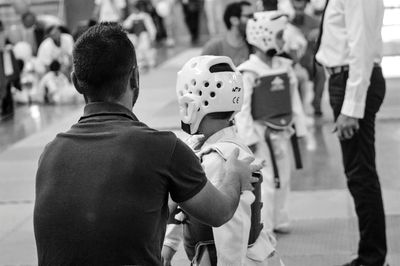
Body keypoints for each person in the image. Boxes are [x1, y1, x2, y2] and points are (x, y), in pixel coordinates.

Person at [33, 22, 261, 266]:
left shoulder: (49, 153)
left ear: (76, 82)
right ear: (135, 77)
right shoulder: (162, 148)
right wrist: (235, 176)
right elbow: (220, 212)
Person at [162, 55, 275, 266]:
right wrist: (169, 244)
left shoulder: (221, 159)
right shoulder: (204, 148)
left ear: (191, 106)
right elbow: (185, 199)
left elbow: (232, 232)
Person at [315, 1, 388, 265]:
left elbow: (362, 49)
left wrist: (352, 108)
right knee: (359, 173)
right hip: (343, 79)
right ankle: (371, 255)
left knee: (361, 174)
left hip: (353, 82)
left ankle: (372, 258)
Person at [235, 11, 307, 234]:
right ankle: (264, 224)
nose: (282, 41)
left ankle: (281, 217)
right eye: (279, 36)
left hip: (283, 130)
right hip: (260, 132)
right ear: (263, 36)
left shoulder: (285, 67)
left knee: (283, 177)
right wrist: (248, 138)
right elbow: (243, 108)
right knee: (264, 180)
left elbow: (294, 100)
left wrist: (300, 129)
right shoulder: (249, 71)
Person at [201, 1, 254, 66]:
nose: (253, 20)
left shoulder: (253, 46)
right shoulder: (213, 48)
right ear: (234, 20)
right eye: (249, 16)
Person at [123, 0, 157, 70]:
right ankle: (141, 64)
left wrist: (152, 36)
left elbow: (151, 27)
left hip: (144, 36)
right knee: (138, 51)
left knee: (146, 49)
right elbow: (126, 25)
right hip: (136, 37)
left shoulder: (145, 16)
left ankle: (151, 62)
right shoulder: (132, 17)